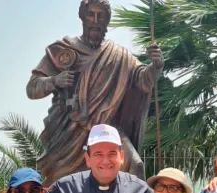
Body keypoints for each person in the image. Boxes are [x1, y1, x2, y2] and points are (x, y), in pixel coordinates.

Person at [26, 0, 164, 183]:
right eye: (91, 14)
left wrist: (156, 66)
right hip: (69, 135)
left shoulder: (119, 55)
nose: (96, 20)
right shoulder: (64, 49)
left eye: (101, 16)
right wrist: (54, 81)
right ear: (82, 17)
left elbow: (143, 79)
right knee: (62, 185)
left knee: (134, 165)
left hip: (107, 130)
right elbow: (32, 88)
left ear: (107, 20)